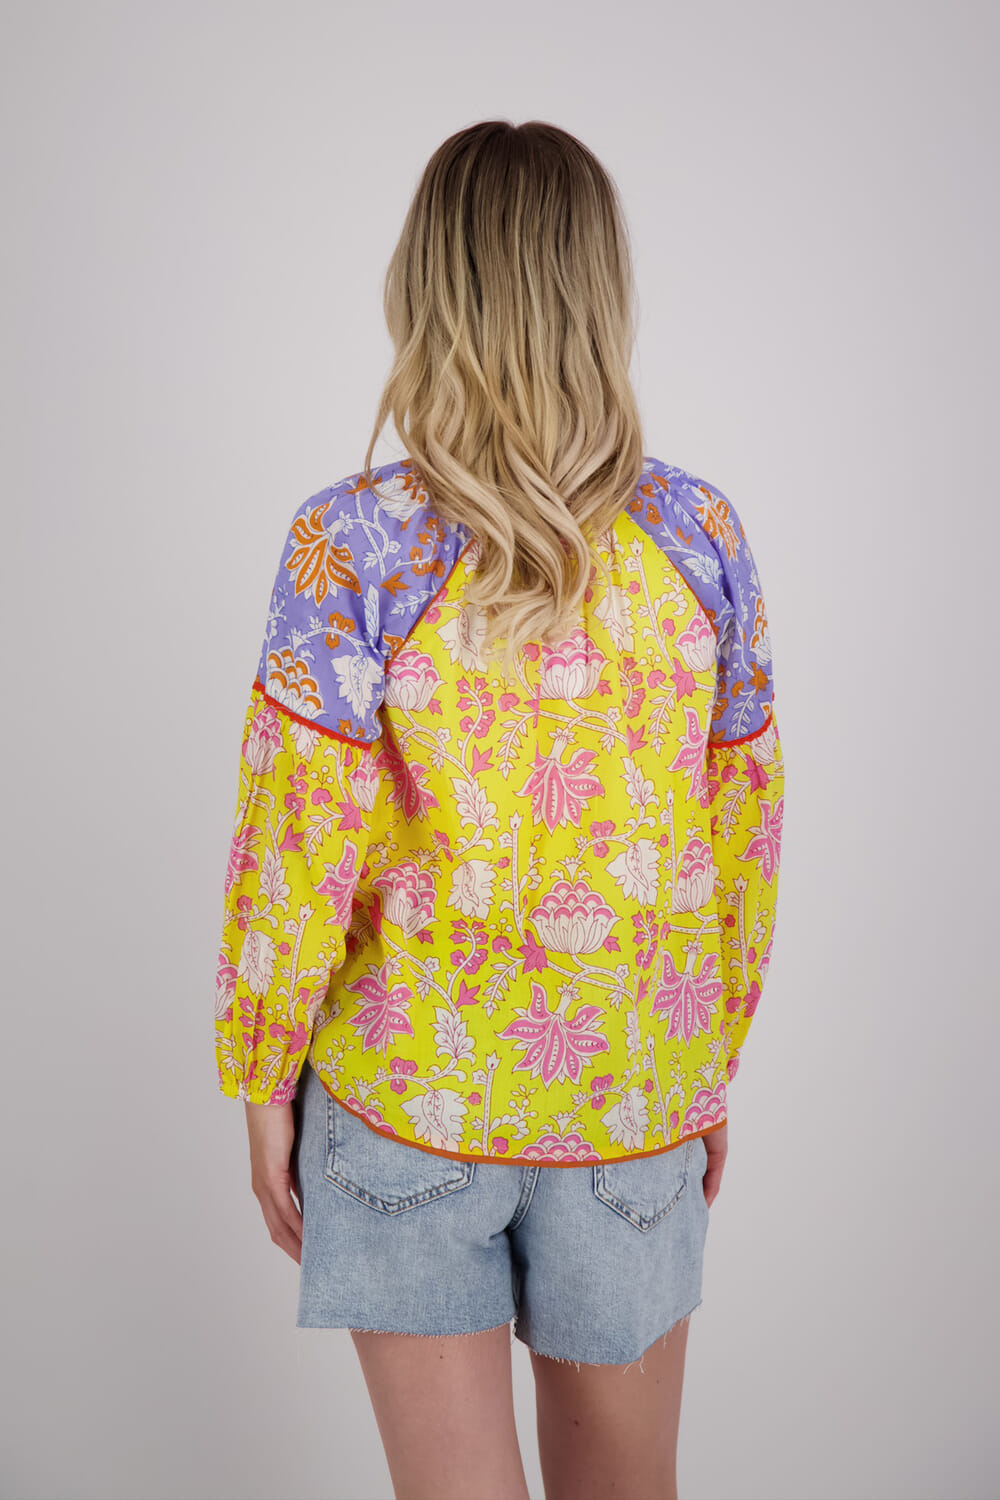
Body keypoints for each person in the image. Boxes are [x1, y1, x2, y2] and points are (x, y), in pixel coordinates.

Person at [214, 118, 785, 1500]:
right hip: (630, 1098)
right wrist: (705, 1062)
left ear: (426, 286)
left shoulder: (352, 543)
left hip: (401, 1102)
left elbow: (298, 836)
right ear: (602, 291)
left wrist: (261, 1076)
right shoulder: (699, 536)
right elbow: (743, 831)